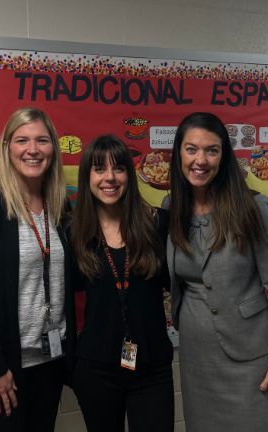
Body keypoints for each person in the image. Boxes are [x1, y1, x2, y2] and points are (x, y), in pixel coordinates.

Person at [165, 112, 268, 431]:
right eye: (191, 149)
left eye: (211, 150)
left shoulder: (252, 208)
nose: (201, 160)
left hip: (250, 354)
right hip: (197, 356)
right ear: (178, 154)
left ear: (223, 156)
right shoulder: (172, 209)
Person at [0, 107, 75, 432]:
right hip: (0, 368)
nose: (32, 149)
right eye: (22, 140)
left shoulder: (59, 204)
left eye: (42, 140)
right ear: (7, 148)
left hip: (48, 363)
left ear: (53, 149)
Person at [70, 135, 174, 432]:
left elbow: (186, 285)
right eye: (99, 169)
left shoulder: (158, 224)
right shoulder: (75, 232)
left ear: (129, 173)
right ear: (87, 176)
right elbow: (62, 299)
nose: (110, 178)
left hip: (152, 368)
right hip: (96, 368)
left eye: (118, 168)